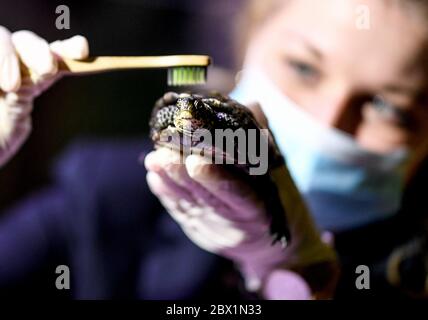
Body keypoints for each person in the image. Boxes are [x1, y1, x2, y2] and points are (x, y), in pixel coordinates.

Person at [0, 0, 427, 299]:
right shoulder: (106, 198)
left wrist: (297, 276)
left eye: (388, 108)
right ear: (246, 45)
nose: (328, 121)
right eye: (304, 67)